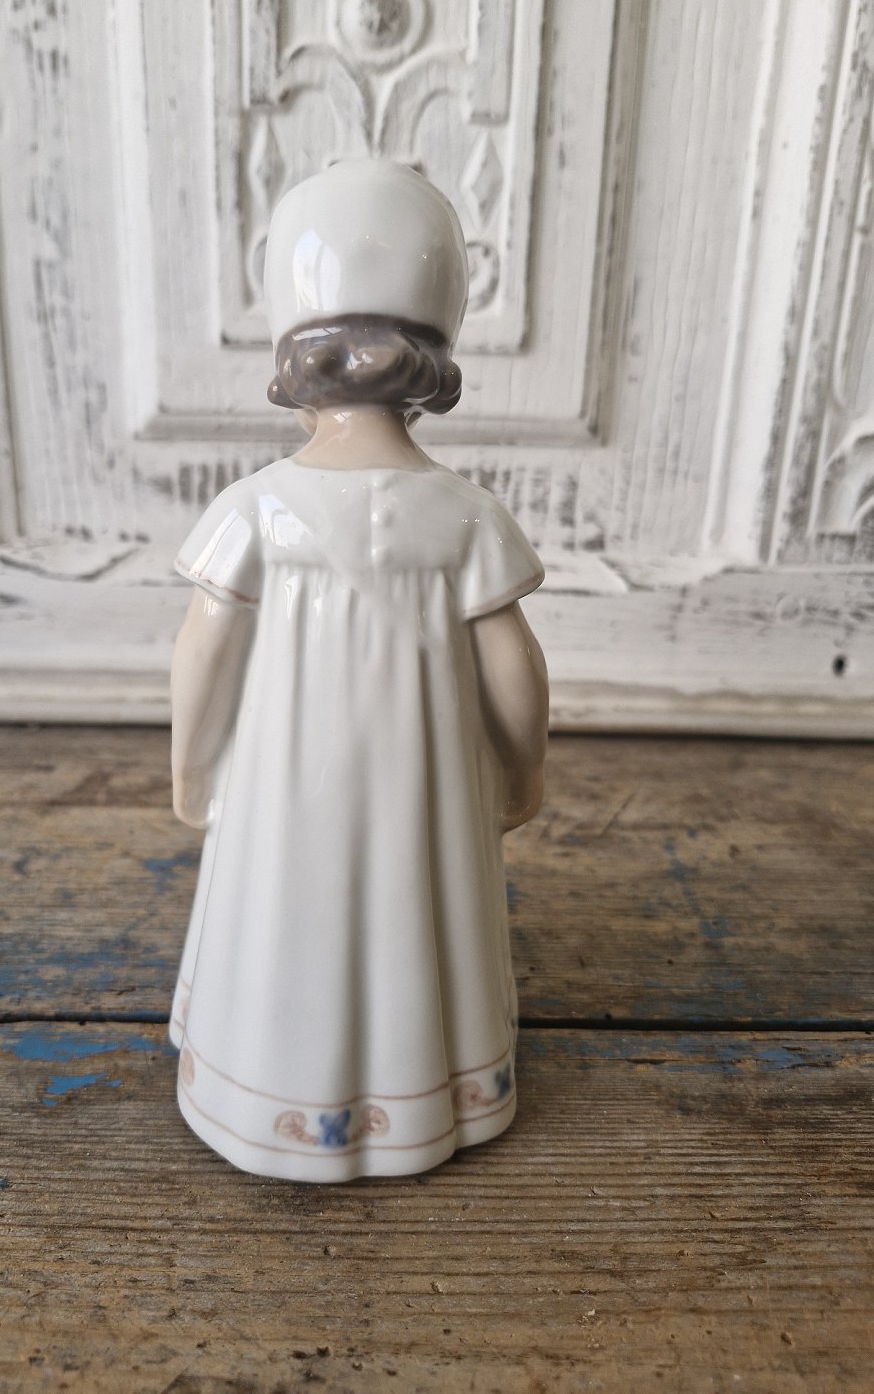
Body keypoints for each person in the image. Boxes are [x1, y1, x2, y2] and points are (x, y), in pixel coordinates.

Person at [168, 160, 549, 1181]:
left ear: (293, 354)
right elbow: (515, 666)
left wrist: (194, 770)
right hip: (427, 797)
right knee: (426, 910)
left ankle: (263, 1088)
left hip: (282, 795)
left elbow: (204, 652)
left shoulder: (255, 510)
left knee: (279, 913)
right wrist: (523, 772)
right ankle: (436, 1088)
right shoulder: (466, 517)